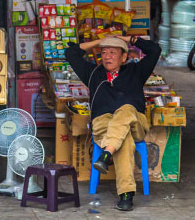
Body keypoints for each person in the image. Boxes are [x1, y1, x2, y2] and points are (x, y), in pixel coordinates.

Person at [65, 35, 160, 212]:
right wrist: (100, 40)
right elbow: (71, 53)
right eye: (104, 52)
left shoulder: (136, 71)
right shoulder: (93, 73)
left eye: (113, 52)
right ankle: (126, 195)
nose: (107, 56)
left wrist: (126, 38)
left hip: (134, 123)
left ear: (124, 57)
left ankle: (107, 154)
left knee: (126, 109)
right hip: (105, 126)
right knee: (124, 141)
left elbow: (155, 50)